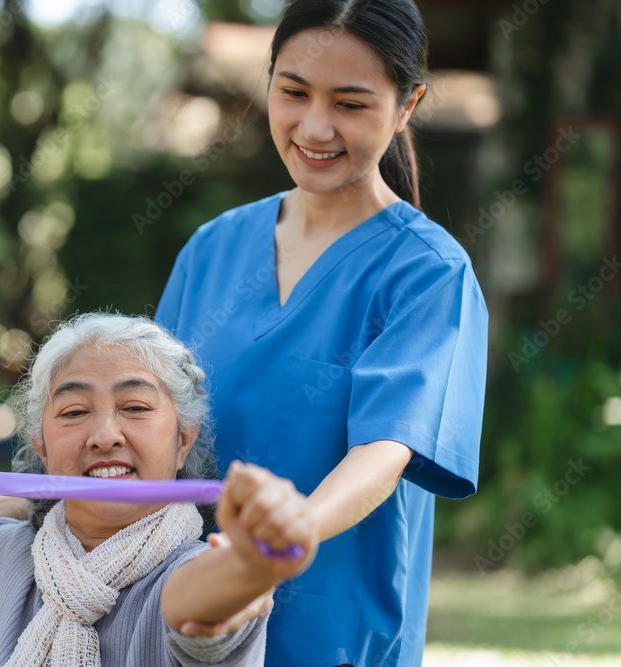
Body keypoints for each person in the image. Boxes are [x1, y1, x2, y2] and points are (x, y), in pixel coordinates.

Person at [154, 0, 488, 664]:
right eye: (294, 92)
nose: (315, 126)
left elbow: (385, 452)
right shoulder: (210, 250)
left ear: (405, 107)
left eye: (351, 104)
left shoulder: (428, 272)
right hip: (193, 624)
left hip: (336, 636)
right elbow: (149, 430)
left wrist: (286, 539)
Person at [0, 313, 320, 666]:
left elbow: (201, 605)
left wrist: (255, 567)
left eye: (136, 407)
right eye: (74, 412)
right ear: (40, 447)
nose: (105, 433)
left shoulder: (192, 570)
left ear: (182, 443)